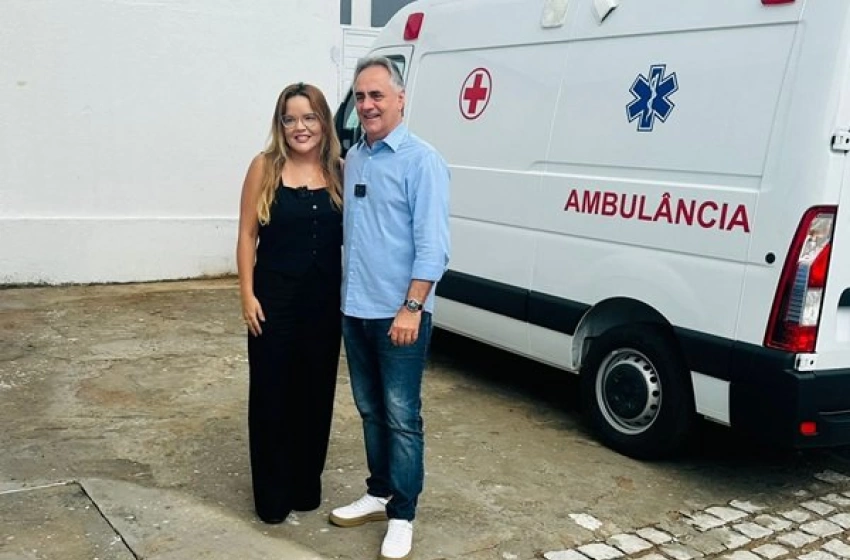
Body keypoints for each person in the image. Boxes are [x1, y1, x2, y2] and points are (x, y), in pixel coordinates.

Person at [329, 56, 450, 560]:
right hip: (354, 309)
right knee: (370, 409)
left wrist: (411, 308)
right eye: (360, 96)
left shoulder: (421, 161)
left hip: (398, 316)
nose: (367, 104)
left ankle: (403, 515)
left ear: (401, 99)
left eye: (377, 95)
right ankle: (378, 492)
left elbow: (433, 247)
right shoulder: (356, 155)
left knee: (402, 416)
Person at [236, 82, 343, 525]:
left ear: (323, 121)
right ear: (280, 125)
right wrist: (246, 294)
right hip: (273, 301)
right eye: (290, 118)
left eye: (309, 117)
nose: (300, 127)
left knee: (315, 395)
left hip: (324, 303)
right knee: (271, 396)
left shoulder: (340, 168)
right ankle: (272, 495)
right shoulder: (264, 167)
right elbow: (246, 235)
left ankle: (305, 485)